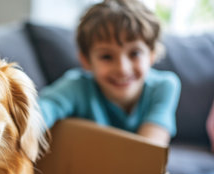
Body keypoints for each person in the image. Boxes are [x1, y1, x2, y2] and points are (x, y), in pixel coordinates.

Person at [38, 0, 181, 146]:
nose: (122, 69)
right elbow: (41, 112)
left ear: (152, 54)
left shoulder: (165, 86)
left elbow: (150, 152)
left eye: (134, 53)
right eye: (106, 57)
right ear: (86, 60)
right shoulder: (76, 86)